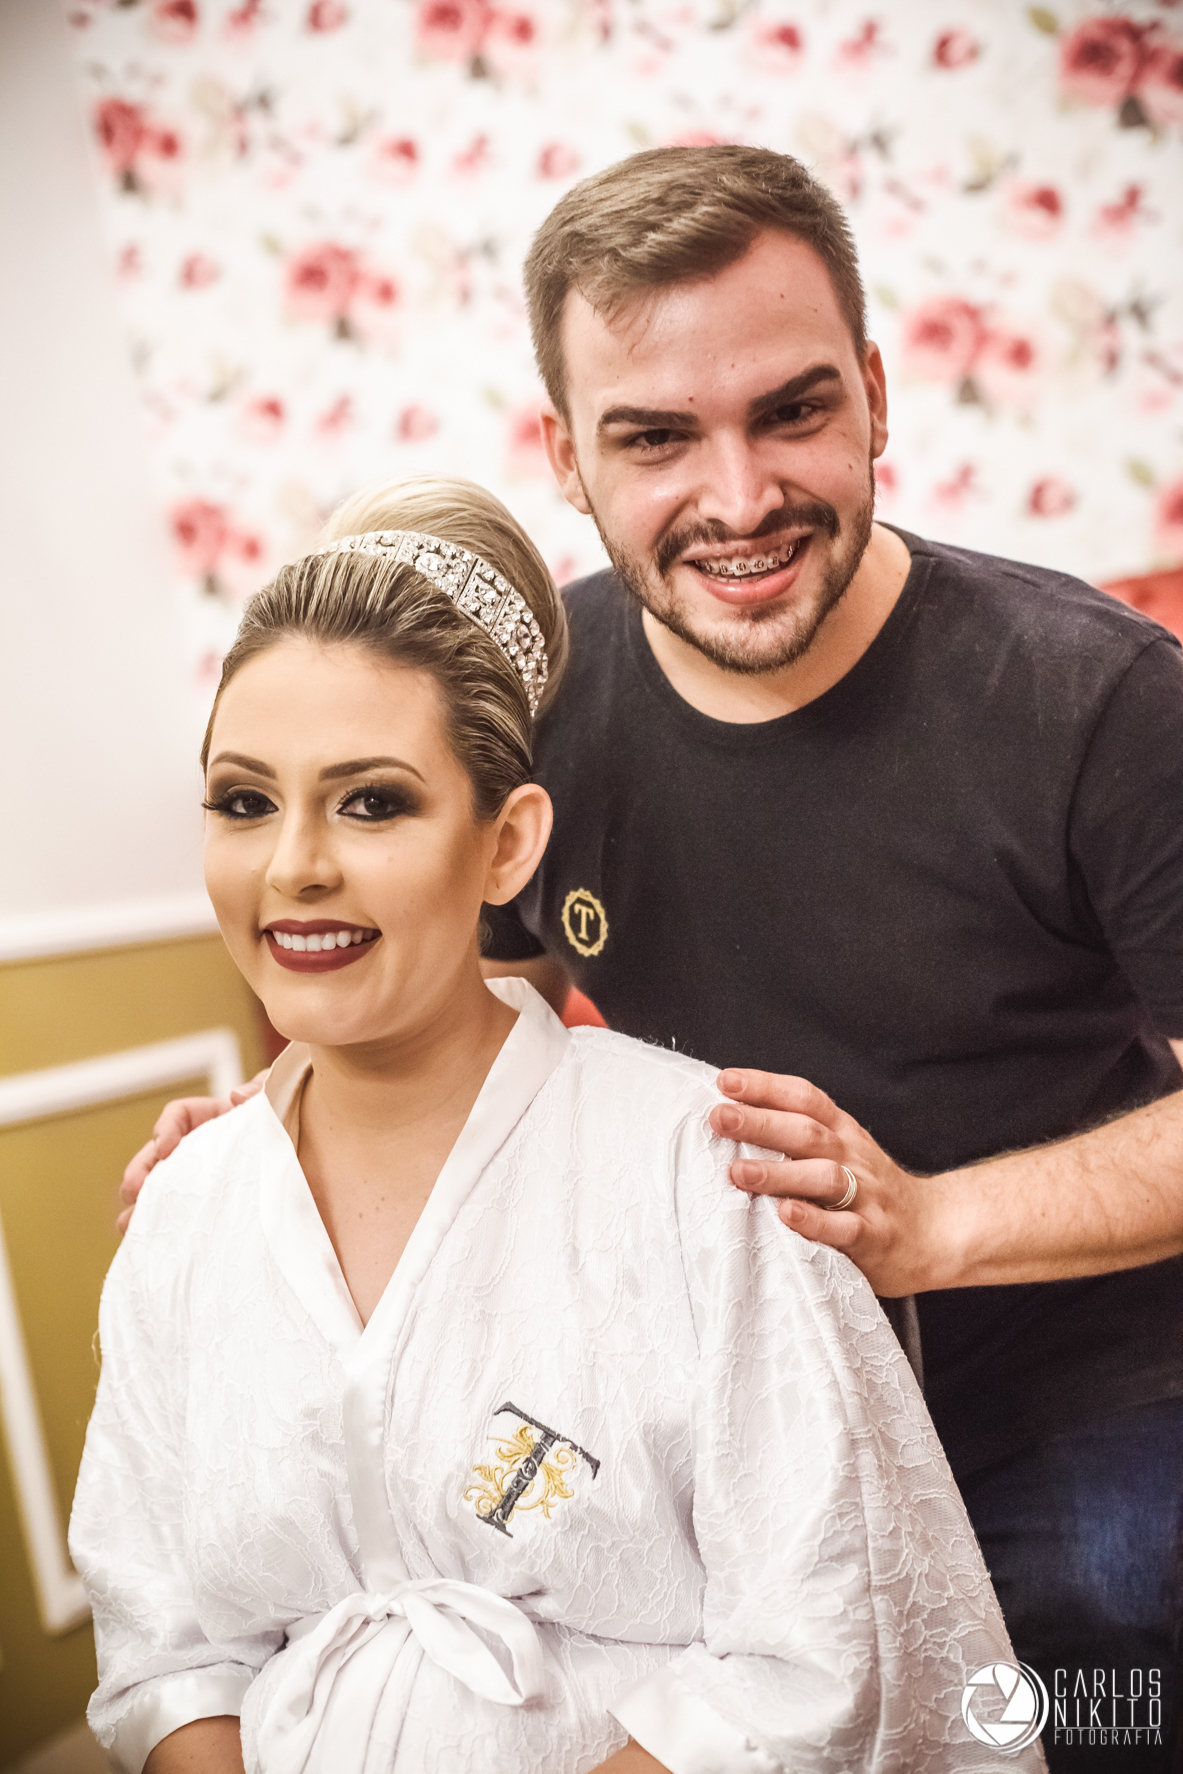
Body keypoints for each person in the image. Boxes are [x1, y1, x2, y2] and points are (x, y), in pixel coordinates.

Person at [122, 148, 1183, 1766]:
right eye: (656, 436)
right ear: (567, 455)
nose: (740, 494)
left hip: (1073, 1388)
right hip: (710, 1418)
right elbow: (443, 979)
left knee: (1076, 1672)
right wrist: (276, 1137)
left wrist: (933, 1221)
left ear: (880, 396)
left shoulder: (1099, 698)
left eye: (794, 411)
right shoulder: (544, 707)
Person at [71, 476, 1032, 1774]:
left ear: (510, 842)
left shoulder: (706, 1172)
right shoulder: (188, 1210)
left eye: (373, 802)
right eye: (245, 800)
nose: (294, 862)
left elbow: (820, 1644)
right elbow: (159, 1637)